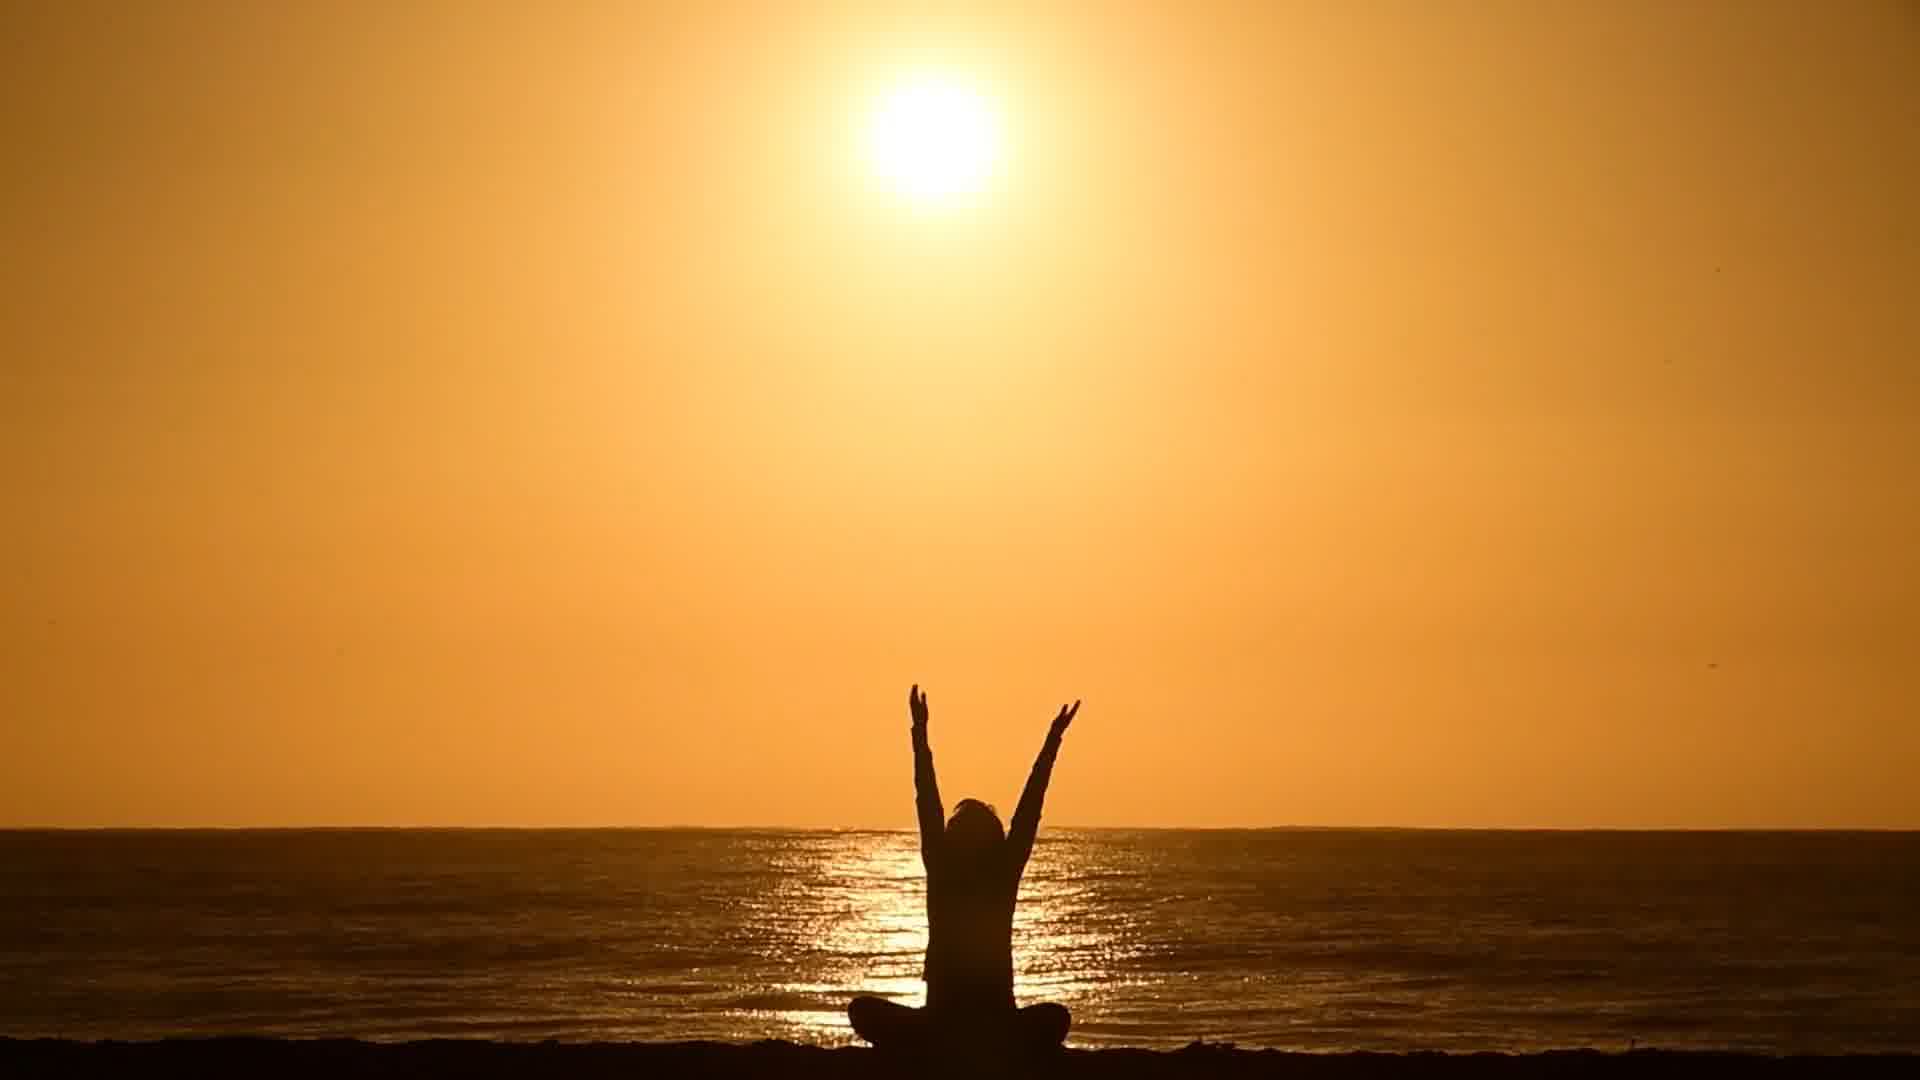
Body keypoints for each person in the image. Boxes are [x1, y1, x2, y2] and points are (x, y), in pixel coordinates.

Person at [847, 685, 1080, 1056]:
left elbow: (1027, 809)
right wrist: (919, 735)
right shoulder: (961, 869)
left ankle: (936, 1048)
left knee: (1057, 1017)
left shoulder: (976, 871)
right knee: (860, 1009)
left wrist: (1052, 743)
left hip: (963, 1024)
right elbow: (929, 801)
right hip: (966, 1024)